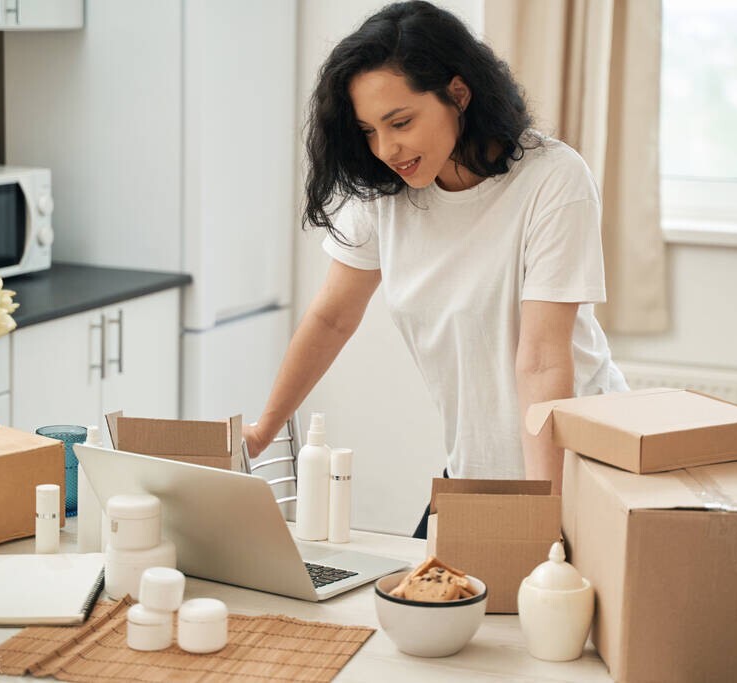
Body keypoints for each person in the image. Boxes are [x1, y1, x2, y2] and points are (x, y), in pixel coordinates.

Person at [242, 0, 628, 537]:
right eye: (369, 131)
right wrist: (263, 429)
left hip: (577, 472)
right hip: (471, 472)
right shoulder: (386, 195)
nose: (386, 148)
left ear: (459, 93)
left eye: (400, 122)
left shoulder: (552, 179)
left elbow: (541, 358)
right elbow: (332, 317)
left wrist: (546, 515)